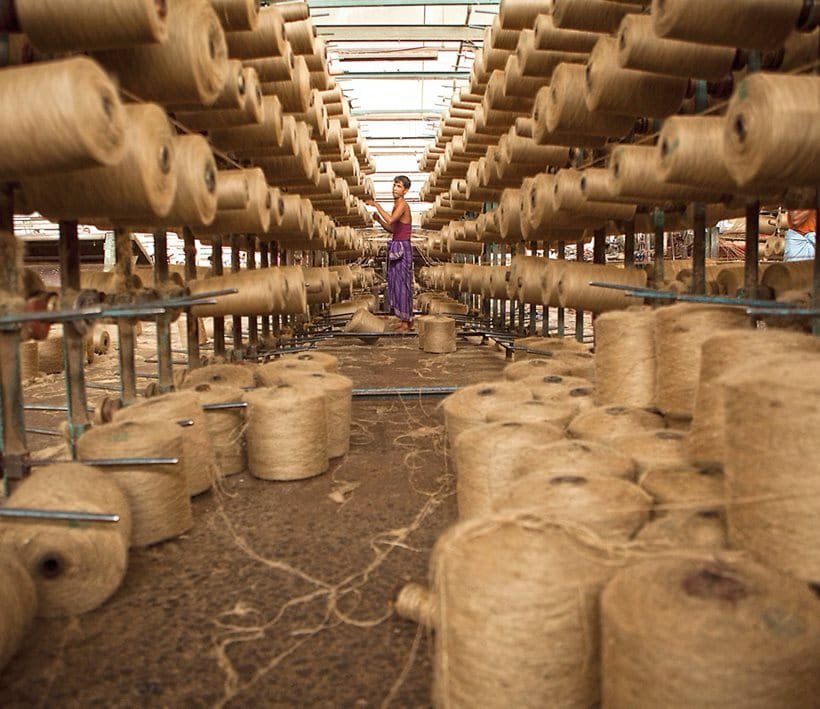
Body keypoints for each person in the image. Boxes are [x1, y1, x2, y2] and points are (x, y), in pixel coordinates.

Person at [366, 176, 414, 330]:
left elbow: (392, 220)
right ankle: (406, 319)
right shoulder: (397, 205)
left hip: (402, 247)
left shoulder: (403, 206)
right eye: (394, 185)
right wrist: (379, 220)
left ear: (405, 190)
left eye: (399, 186)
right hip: (397, 245)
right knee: (396, 283)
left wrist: (377, 205)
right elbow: (393, 229)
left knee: (402, 284)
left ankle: (406, 322)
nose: (395, 188)